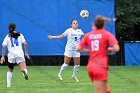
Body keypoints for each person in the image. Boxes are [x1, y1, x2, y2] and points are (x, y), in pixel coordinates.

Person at [77, 16, 120, 93]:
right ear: (104, 24)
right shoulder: (106, 34)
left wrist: (89, 51)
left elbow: (79, 48)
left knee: (107, 90)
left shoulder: (88, 35)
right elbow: (116, 48)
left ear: (94, 24)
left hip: (91, 66)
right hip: (100, 66)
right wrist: (109, 50)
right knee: (100, 91)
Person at [0, 23, 30, 87]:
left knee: (10, 70)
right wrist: (26, 53)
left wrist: (2, 56)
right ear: (15, 28)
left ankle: (8, 85)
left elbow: (3, 46)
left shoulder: (7, 36)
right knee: (24, 68)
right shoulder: (20, 34)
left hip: (11, 55)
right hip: (19, 54)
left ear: (9, 28)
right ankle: (24, 72)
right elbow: (25, 44)